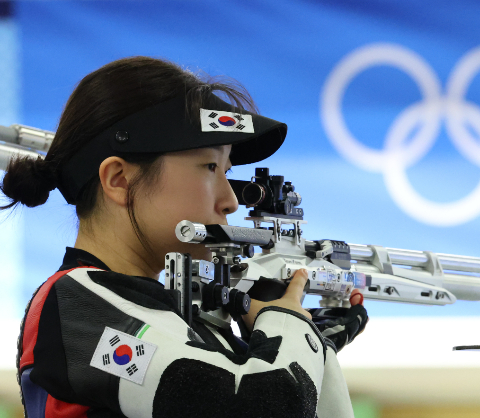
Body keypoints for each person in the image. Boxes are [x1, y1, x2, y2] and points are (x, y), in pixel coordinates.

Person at [3, 57, 367, 418]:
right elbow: (257, 404)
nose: (230, 201)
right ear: (119, 179)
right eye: (210, 167)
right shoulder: (74, 305)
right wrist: (288, 326)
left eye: (226, 171)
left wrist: (313, 347)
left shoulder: (176, 319)